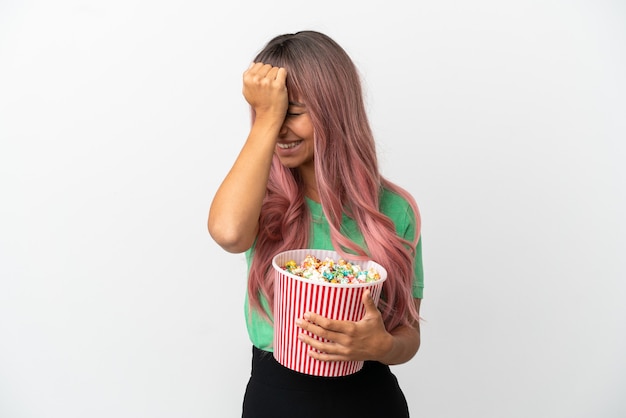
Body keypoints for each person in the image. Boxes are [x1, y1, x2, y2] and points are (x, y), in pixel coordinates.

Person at [208, 30, 424, 418]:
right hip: (277, 395)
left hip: (370, 397)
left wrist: (382, 347)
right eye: (266, 114)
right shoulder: (261, 199)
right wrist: (267, 120)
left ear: (333, 110)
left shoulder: (395, 210)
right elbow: (227, 233)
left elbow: (408, 334)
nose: (279, 130)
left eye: (291, 112)